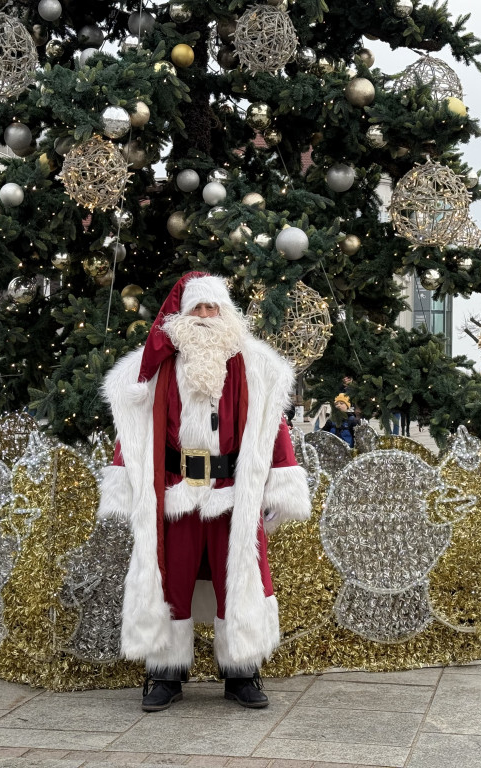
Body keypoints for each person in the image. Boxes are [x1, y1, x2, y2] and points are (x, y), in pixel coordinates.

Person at [97, 272, 311, 711]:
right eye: (197, 308)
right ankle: (165, 672)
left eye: (213, 308)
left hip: (234, 492)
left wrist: (280, 485)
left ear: (227, 313)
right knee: (170, 578)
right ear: (182, 315)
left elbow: (275, 430)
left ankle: (241, 671)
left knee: (239, 579)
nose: (206, 317)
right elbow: (134, 432)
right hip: (176, 491)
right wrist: (124, 480)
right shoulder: (155, 369)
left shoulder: (257, 367)